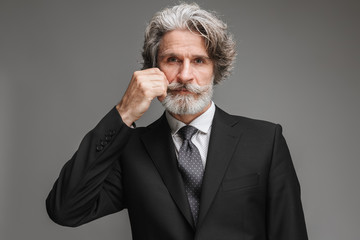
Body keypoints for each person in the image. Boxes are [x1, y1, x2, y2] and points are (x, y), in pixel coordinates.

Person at [46, 3, 308, 240]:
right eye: (172, 60)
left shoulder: (265, 141)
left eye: (198, 61)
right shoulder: (131, 149)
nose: (184, 75)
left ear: (216, 69)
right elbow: (65, 209)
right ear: (153, 68)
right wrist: (124, 113)